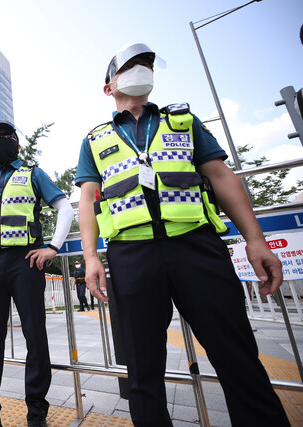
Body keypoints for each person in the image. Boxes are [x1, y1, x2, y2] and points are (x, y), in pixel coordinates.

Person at [75, 43, 289, 426]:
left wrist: (256, 240)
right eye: (130, 67)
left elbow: (222, 177)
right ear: (109, 86)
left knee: (237, 355)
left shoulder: (183, 122)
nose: (141, 70)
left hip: (197, 246)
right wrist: (91, 257)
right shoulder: (95, 140)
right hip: (131, 254)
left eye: (146, 65)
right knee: (143, 371)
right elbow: (87, 200)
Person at [0, 121, 73, 427]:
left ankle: (36, 412)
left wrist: (53, 247)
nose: (0, 141)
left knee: (34, 335)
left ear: (16, 142)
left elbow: (64, 208)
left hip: (25, 260)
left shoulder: (32, 173)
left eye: (6, 136)